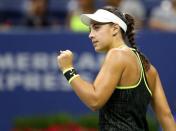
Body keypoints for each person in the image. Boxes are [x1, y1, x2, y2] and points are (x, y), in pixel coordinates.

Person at [57, 6, 176, 130]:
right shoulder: (150, 69)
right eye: (90, 30)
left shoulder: (116, 55)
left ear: (115, 29)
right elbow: (166, 116)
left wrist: (68, 69)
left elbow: (95, 100)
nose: (91, 35)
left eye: (97, 28)